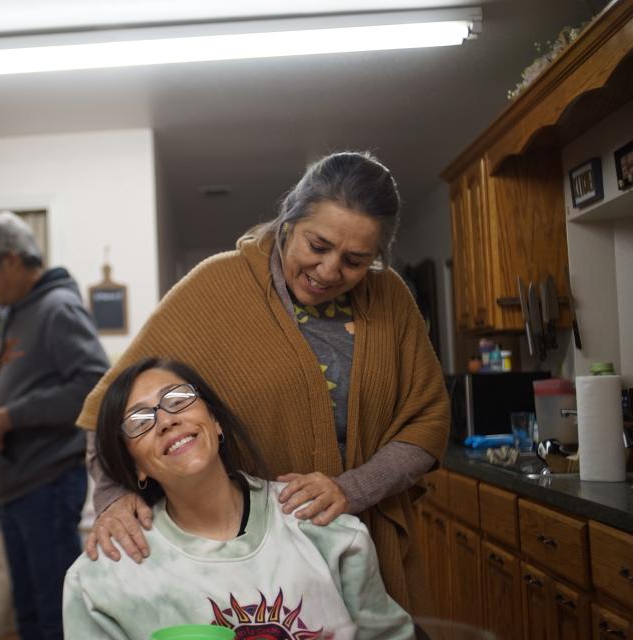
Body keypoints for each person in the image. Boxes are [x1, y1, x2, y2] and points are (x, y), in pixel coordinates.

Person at [77, 152, 450, 613]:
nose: (330, 271)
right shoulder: (215, 285)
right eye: (318, 245)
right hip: (251, 559)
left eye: (356, 260)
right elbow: (108, 408)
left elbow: (427, 421)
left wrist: (354, 489)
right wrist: (115, 497)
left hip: (368, 540)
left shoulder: (390, 296)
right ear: (290, 219)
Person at [63, 358, 414, 639]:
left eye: (177, 399)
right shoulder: (101, 582)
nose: (166, 420)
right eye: (139, 419)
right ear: (135, 466)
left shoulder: (323, 526)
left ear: (215, 421)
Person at [0, 211, 109, 640]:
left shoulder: (56, 307)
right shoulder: (22, 310)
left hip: (44, 484)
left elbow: (94, 384)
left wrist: (12, 415)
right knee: (28, 614)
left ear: (11, 260)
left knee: (54, 615)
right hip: (18, 486)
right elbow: (33, 384)